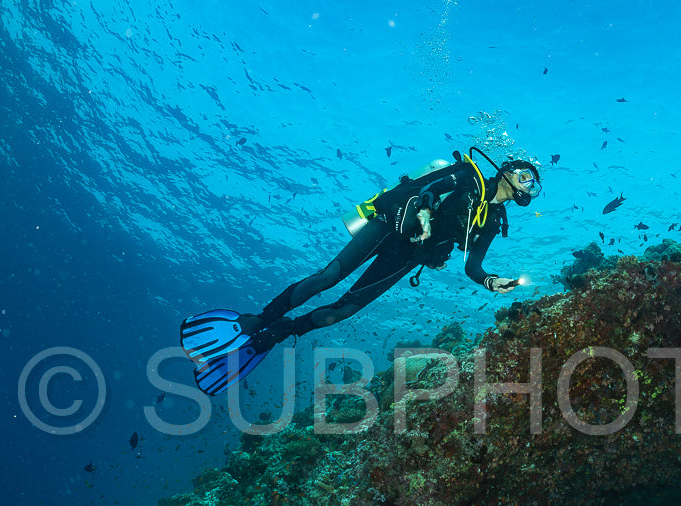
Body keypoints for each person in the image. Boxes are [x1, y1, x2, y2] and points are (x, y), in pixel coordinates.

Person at [180, 148, 541, 395]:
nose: (528, 186)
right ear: (507, 171)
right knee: (328, 277)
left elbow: (473, 265)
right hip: (390, 227)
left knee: (344, 310)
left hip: (408, 256)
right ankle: (260, 318)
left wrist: (491, 281)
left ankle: (275, 333)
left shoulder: (493, 219)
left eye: (533, 184)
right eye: (525, 176)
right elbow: (428, 189)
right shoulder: (468, 173)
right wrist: (426, 212)